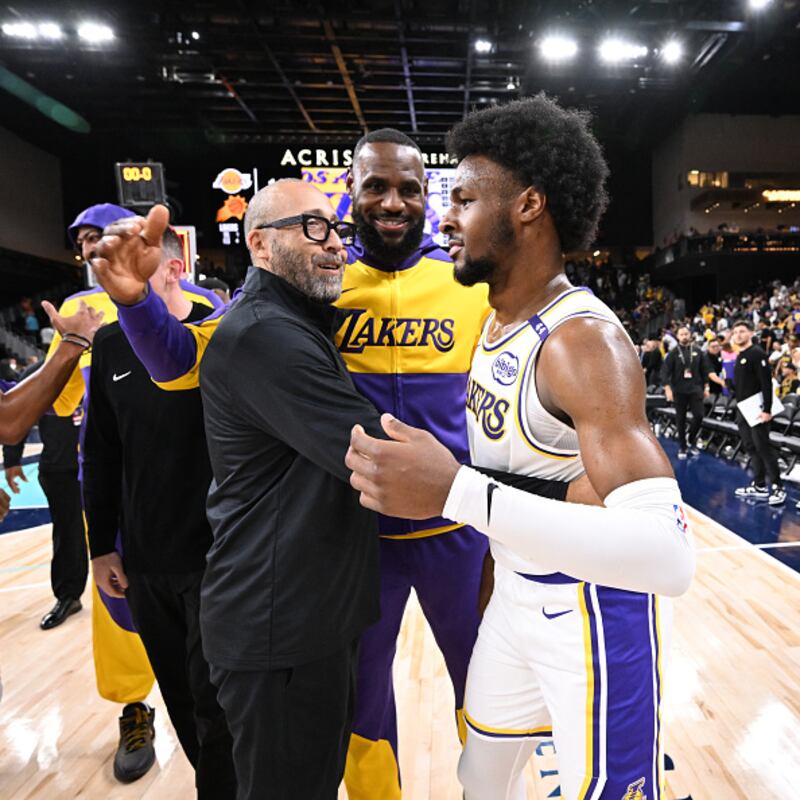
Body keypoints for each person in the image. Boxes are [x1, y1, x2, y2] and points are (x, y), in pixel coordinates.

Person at [345, 96, 695, 800]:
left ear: (529, 206)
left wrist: (454, 492)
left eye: (465, 199)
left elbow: (668, 557)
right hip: (512, 599)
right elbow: (520, 478)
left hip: (592, 618)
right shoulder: (496, 323)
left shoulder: (580, 341)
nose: (444, 217)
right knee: (481, 777)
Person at [48, 202, 223, 784]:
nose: (114, 274)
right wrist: (101, 547)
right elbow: (99, 452)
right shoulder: (112, 347)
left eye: (135, 264)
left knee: (216, 705)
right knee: (182, 700)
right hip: (147, 560)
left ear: (173, 269)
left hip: (220, 558)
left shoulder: (224, 329)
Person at [3, 363, 86, 630]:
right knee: (66, 533)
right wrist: (12, 460)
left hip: (108, 465)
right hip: (61, 466)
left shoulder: (107, 354)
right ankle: (68, 595)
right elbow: (17, 411)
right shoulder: (40, 371)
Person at [730, 319, 786, 505]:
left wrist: (767, 410)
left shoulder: (757, 353)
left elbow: (766, 383)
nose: (738, 335)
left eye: (742, 331)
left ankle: (778, 487)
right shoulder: (740, 355)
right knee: (751, 446)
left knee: (763, 447)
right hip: (743, 410)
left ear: (751, 333)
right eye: (735, 332)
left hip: (758, 410)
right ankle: (760, 485)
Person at [661, 325, 709, 459]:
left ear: (690, 335)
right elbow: (665, 372)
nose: (684, 336)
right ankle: (683, 446)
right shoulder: (673, 353)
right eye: (681, 334)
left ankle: (691, 439)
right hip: (679, 390)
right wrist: (667, 388)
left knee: (699, 416)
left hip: (695, 389)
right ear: (677, 337)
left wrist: (706, 387)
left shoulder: (698, 351)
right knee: (680, 419)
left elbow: (704, 370)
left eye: (686, 334)